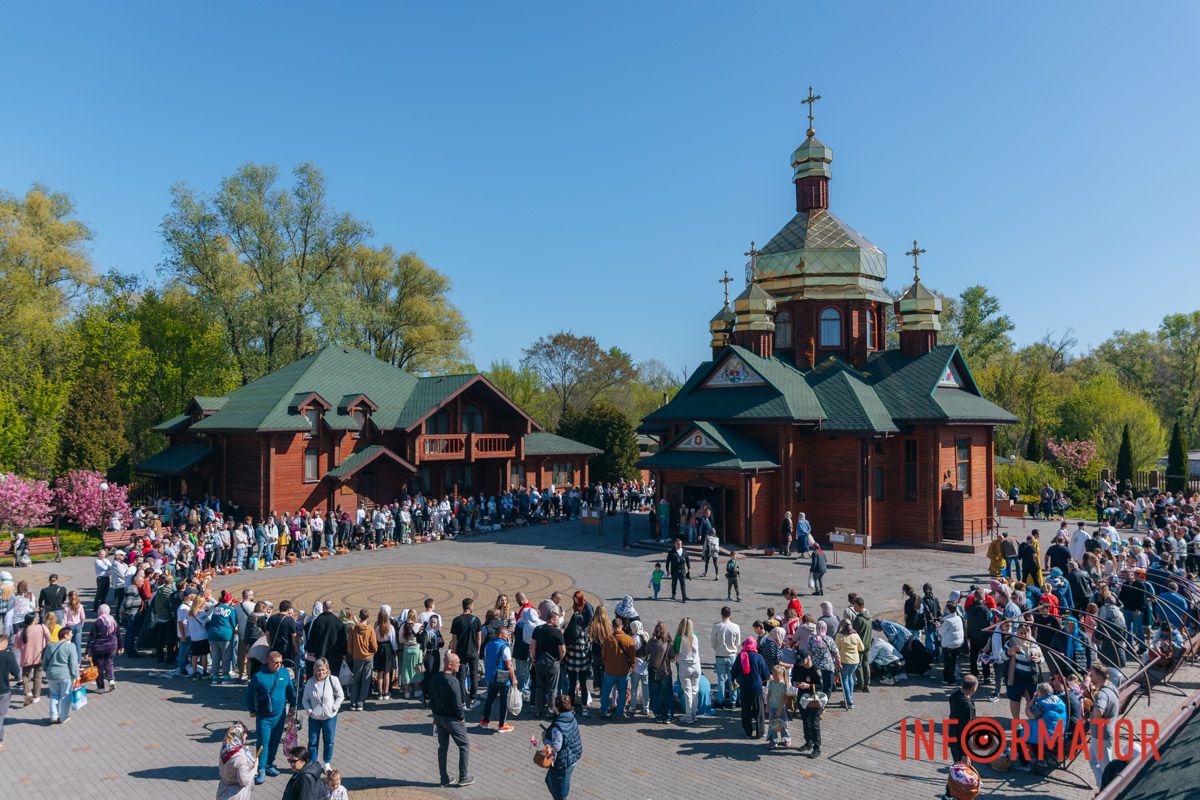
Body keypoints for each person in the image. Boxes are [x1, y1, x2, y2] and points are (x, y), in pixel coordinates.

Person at [246, 650, 297, 784]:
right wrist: (252, 709)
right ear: (269, 662)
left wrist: (293, 706)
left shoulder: (284, 673)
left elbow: (290, 690)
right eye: (276, 662)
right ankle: (260, 769)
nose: (279, 665)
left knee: (275, 741)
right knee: (263, 743)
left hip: (280, 716)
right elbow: (250, 693)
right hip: (264, 717)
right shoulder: (259, 676)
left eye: (281, 662)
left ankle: (269, 764)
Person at [430, 652, 474, 788]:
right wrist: (461, 718)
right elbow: (458, 704)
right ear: (450, 664)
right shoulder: (453, 682)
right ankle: (463, 777)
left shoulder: (436, 677)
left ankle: (444, 778)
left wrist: (435, 715)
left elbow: (432, 698)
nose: (459, 664)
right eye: (457, 662)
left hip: (439, 718)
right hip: (452, 720)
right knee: (464, 745)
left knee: (442, 747)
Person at [301, 657, 343, 769]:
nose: (321, 672)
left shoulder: (333, 680)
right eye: (318, 670)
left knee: (329, 741)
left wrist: (335, 707)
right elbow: (305, 699)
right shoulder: (310, 682)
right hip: (314, 718)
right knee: (313, 742)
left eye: (323, 670)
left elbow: (340, 695)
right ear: (315, 670)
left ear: (327, 670)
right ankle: (313, 763)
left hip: (329, 718)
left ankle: (326, 763)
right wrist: (309, 710)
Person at [542, 695, 583, 800]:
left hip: (563, 762)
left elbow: (556, 747)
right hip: (572, 757)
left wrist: (545, 739)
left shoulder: (558, 726)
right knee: (551, 781)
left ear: (557, 707)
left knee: (560, 793)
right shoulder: (571, 717)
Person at [479, 625, 517, 732]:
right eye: (506, 634)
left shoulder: (488, 645)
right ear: (500, 635)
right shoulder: (505, 647)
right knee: (504, 701)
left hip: (491, 677)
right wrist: (513, 678)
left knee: (489, 700)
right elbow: (509, 665)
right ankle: (502, 725)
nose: (507, 636)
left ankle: (485, 721)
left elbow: (486, 659)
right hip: (503, 679)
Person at [531, 606, 566, 719]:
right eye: (556, 619)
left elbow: (532, 646)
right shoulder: (557, 632)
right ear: (551, 619)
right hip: (553, 662)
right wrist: (560, 660)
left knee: (540, 687)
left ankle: (538, 710)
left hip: (539, 661)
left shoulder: (538, 629)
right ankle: (551, 710)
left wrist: (533, 658)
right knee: (552, 688)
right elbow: (563, 649)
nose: (558, 621)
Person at [1087, 663, 1119, 786]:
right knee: (1093, 760)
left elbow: (1099, 710)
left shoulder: (1102, 694)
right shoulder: (1110, 686)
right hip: (1101, 735)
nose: (1090, 676)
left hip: (1101, 736)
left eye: (1092, 674)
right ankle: (1102, 785)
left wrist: (1093, 717)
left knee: (1107, 768)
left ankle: (1109, 790)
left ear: (1099, 678)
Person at [731, 636, 769, 738]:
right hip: (756, 687)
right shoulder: (758, 657)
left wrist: (733, 680)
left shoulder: (740, 656)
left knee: (746, 710)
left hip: (744, 687)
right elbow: (766, 673)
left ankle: (748, 732)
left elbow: (733, 671)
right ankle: (760, 733)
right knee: (759, 710)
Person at [600, 617, 636, 718]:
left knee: (605, 692)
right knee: (622, 693)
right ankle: (619, 713)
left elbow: (603, 655)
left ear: (612, 626)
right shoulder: (629, 639)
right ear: (622, 626)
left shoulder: (608, 639)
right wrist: (630, 668)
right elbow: (633, 658)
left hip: (610, 671)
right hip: (623, 672)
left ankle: (603, 710)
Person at [449, 597, 482, 708]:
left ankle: (462, 700)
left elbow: (454, 638)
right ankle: (473, 699)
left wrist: (454, 651)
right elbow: (478, 638)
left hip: (460, 652)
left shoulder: (456, 620)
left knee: (461, 677)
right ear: (470, 606)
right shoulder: (476, 620)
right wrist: (478, 649)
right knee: (473, 675)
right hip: (473, 652)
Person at [790, 649, 822, 757]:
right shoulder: (798, 666)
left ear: (808, 658)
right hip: (802, 697)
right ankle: (808, 742)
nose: (801, 664)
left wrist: (808, 686)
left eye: (802, 661)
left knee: (814, 723)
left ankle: (817, 748)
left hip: (813, 699)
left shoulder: (815, 669)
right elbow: (793, 678)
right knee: (805, 721)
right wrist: (794, 683)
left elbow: (821, 686)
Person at [44, 626, 79, 724]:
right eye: (70, 633)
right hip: (65, 675)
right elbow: (73, 664)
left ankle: (53, 716)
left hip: (51, 675)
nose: (72, 635)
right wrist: (76, 675)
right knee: (65, 696)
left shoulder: (50, 646)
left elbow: (45, 661)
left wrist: (46, 670)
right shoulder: (71, 646)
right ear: (65, 635)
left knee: (54, 695)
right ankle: (63, 717)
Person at [345, 609, 376, 711]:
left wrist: (354, 653)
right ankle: (360, 702)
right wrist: (370, 651)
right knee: (365, 680)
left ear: (359, 616)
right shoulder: (370, 629)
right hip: (368, 657)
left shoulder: (354, 629)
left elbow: (349, 646)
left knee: (356, 680)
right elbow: (375, 647)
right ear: (367, 617)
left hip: (357, 658)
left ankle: (353, 702)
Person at [216, 721, 257, 800]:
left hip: (222, 791)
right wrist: (254, 769)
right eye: (244, 733)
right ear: (238, 736)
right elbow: (244, 782)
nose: (247, 735)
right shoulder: (240, 758)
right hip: (235, 795)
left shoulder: (225, 748)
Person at [16, 613, 50, 705]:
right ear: (33, 620)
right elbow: (49, 638)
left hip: (26, 658)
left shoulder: (21, 631)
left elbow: (17, 645)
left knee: (26, 676)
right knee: (38, 677)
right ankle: (36, 696)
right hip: (39, 657)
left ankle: (28, 692)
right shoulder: (42, 627)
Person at [645, 621, 675, 723]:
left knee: (655, 694)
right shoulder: (669, 643)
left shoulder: (651, 642)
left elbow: (646, 651)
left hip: (653, 671)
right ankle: (668, 716)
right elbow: (672, 657)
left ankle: (658, 715)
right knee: (667, 694)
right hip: (665, 672)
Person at [711, 606, 741, 709]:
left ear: (721, 614)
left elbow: (713, 642)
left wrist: (718, 648)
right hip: (732, 655)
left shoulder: (717, 626)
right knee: (733, 679)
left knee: (721, 680)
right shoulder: (736, 627)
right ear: (730, 614)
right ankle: (733, 700)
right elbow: (738, 642)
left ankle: (721, 700)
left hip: (720, 655)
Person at [674, 617, 701, 723]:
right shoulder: (695, 637)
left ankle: (689, 716)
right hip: (696, 665)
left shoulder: (679, 638)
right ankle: (694, 713)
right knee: (695, 690)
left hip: (685, 666)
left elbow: (675, 651)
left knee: (688, 692)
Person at [947, 674, 978, 764]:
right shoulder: (966, 706)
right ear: (973, 688)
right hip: (961, 744)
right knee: (963, 773)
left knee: (958, 766)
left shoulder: (955, 695)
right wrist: (966, 754)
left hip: (953, 738)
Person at [89, 604, 120, 692]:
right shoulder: (113, 621)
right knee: (109, 663)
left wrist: (88, 651)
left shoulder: (97, 622)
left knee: (99, 666)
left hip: (99, 647)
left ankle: (101, 687)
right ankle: (111, 681)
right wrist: (120, 646)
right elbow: (118, 634)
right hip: (112, 646)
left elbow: (92, 638)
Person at [835, 619, 864, 709]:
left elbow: (836, 649)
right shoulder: (855, 635)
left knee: (844, 680)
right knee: (850, 677)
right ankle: (850, 697)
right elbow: (862, 648)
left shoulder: (840, 635)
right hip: (855, 661)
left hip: (845, 661)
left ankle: (849, 701)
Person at [0, 634, 21, 750]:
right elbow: (17, 673)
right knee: (1, 715)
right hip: (3, 690)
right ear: (3, 643)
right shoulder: (8, 656)